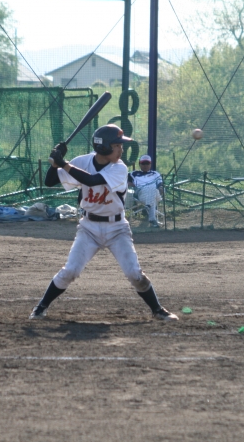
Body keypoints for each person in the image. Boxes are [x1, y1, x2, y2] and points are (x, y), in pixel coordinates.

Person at [29, 124, 178, 322]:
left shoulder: (120, 168)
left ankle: (157, 310)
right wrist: (55, 162)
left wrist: (63, 163)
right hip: (88, 228)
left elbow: (92, 180)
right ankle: (40, 307)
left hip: (117, 228)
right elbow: (49, 181)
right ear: (104, 147)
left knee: (134, 274)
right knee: (70, 271)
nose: (121, 150)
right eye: (117, 146)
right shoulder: (82, 161)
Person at [128, 154, 164, 227]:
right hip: (141, 193)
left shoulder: (155, 174)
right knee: (152, 188)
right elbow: (125, 182)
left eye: (147, 163)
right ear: (140, 164)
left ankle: (148, 206)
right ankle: (152, 218)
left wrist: (161, 188)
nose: (145, 165)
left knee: (152, 188)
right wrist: (132, 185)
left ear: (150, 164)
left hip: (156, 194)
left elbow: (160, 184)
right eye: (143, 163)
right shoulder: (133, 174)